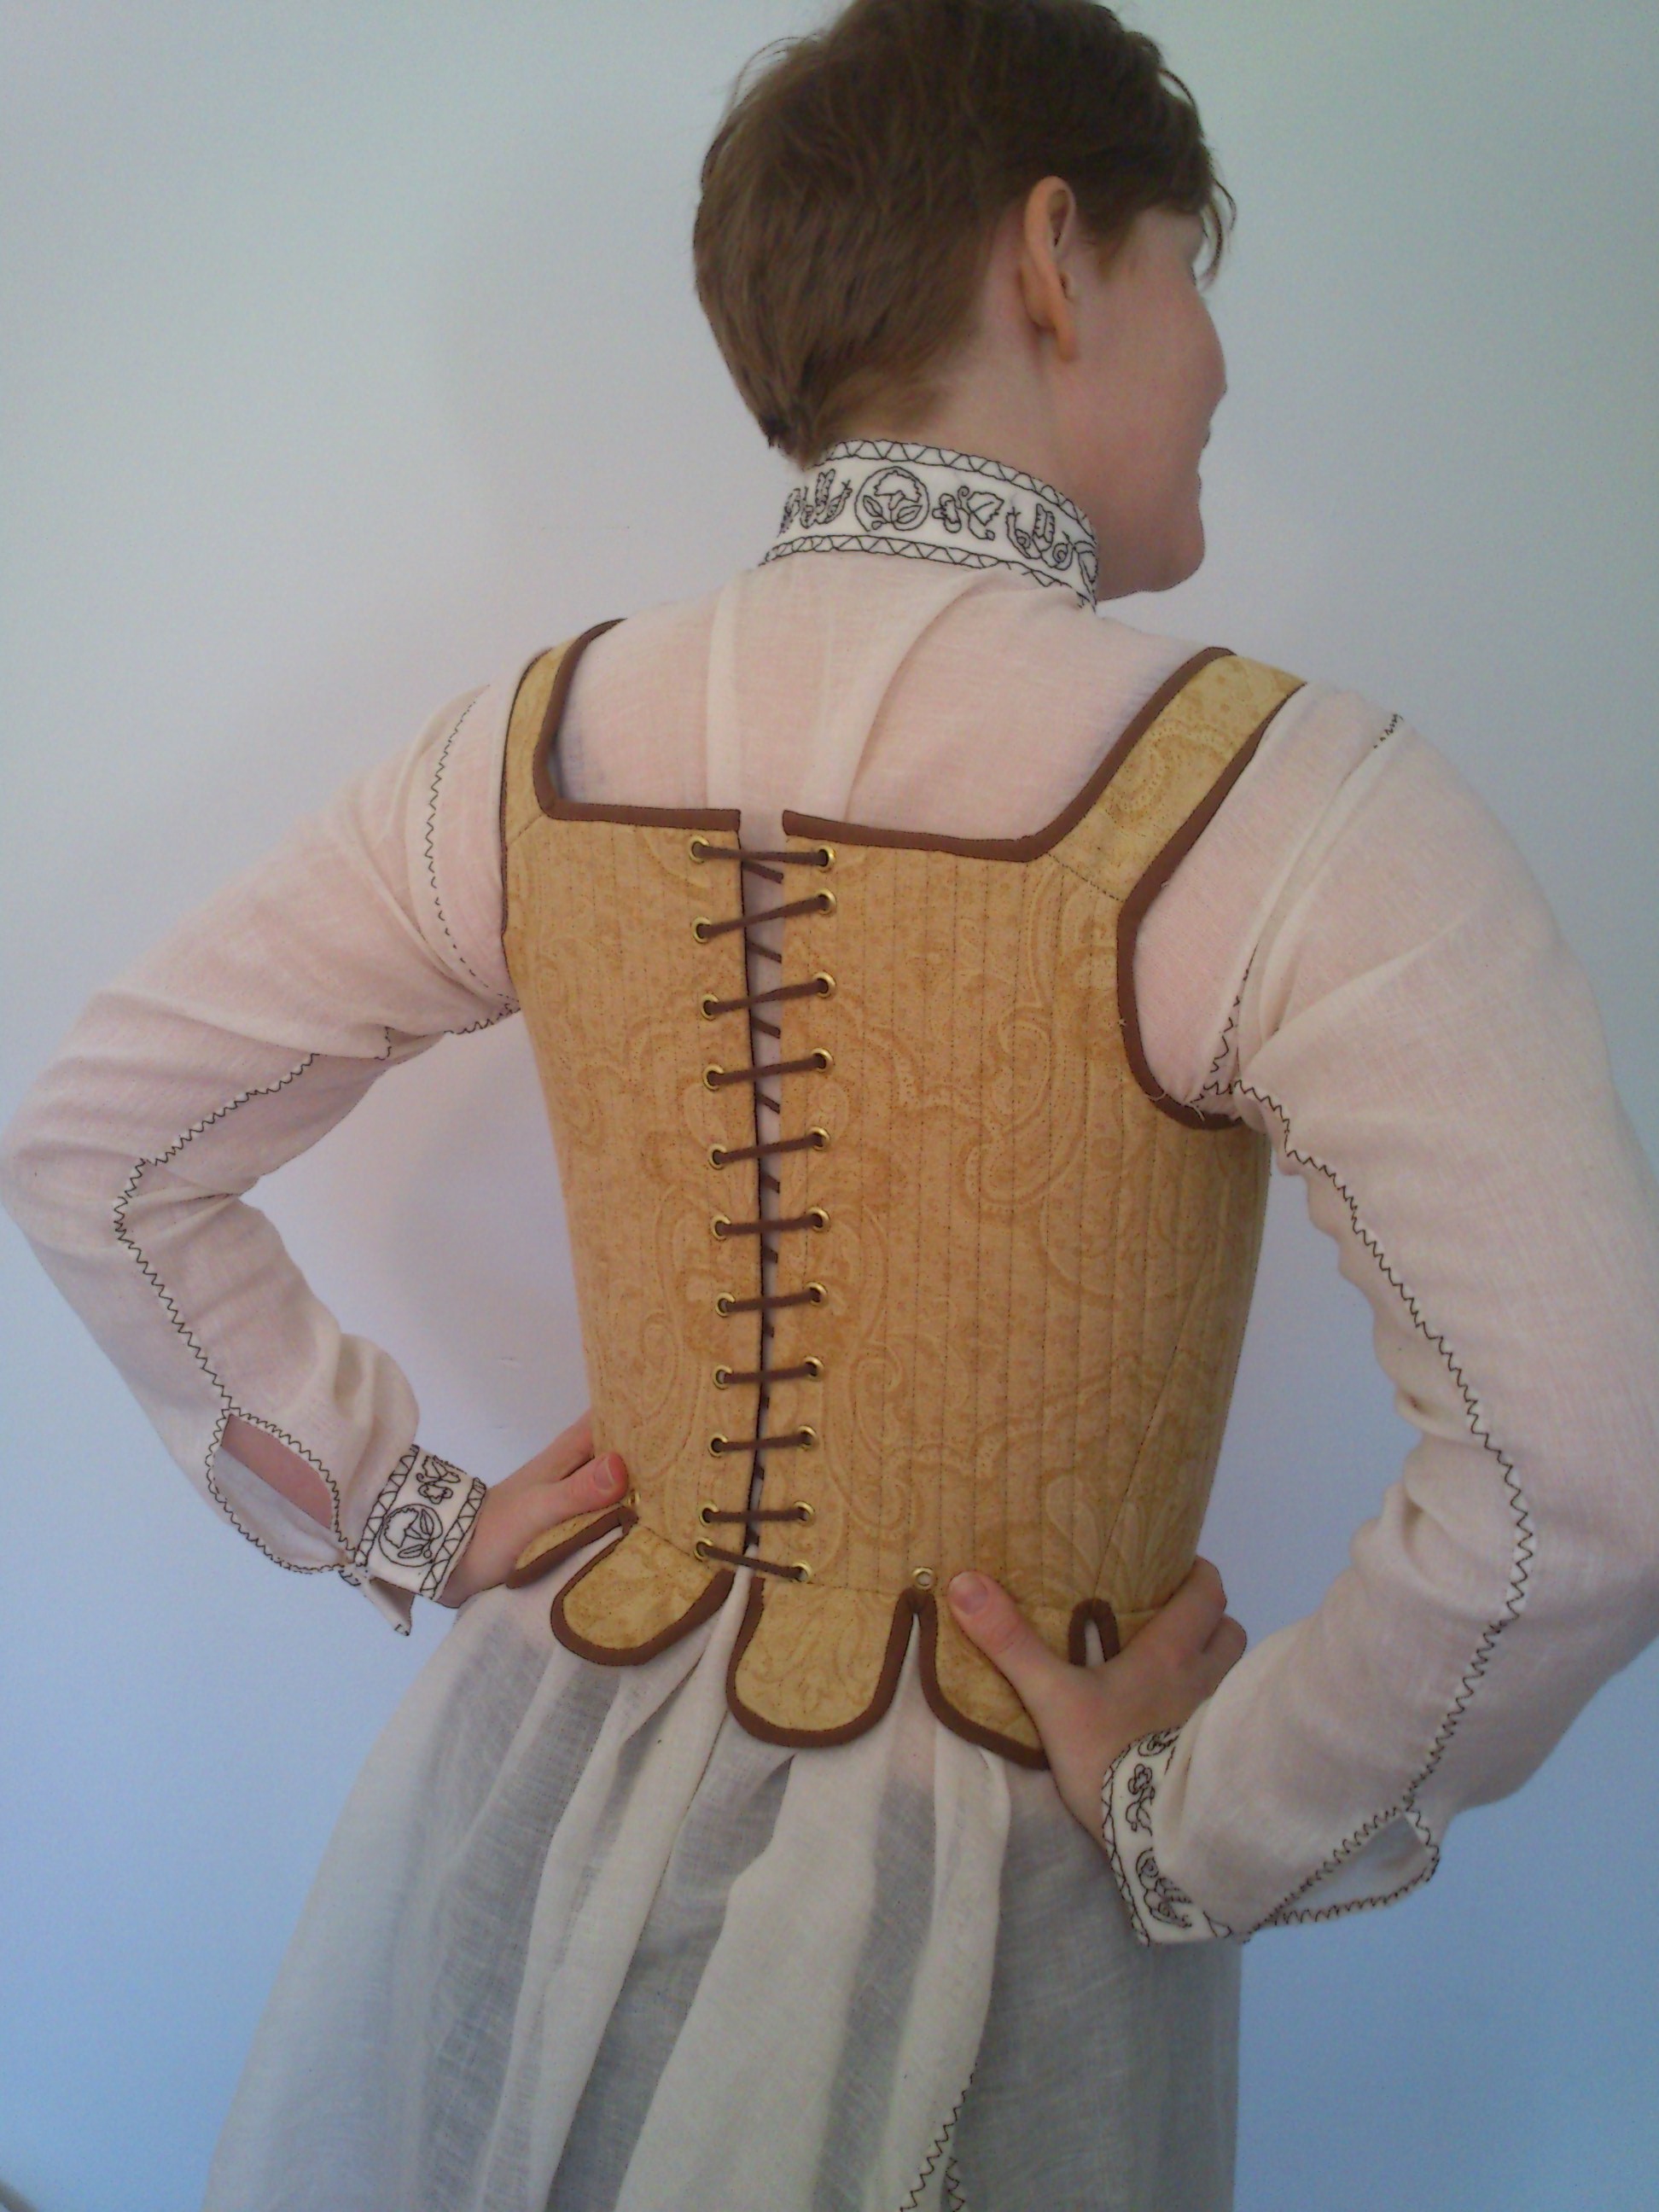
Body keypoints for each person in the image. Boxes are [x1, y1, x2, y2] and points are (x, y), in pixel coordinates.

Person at [4, 0, 1658, 2205]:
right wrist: (1206, 1812)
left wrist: (398, 1510)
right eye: (1190, 272)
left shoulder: (533, 742)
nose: (1219, 365)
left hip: (553, 1817)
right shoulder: (1302, 809)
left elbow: (97, 1147)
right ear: (1053, 257)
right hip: (1008, 1919)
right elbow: (1589, 1478)